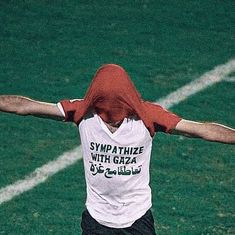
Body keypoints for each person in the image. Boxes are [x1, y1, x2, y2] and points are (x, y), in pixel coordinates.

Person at [0, 64, 234, 235]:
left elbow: (201, 130)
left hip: (137, 220)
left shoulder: (148, 117)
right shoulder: (82, 112)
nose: (110, 118)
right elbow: (25, 106)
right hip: (96, 221)